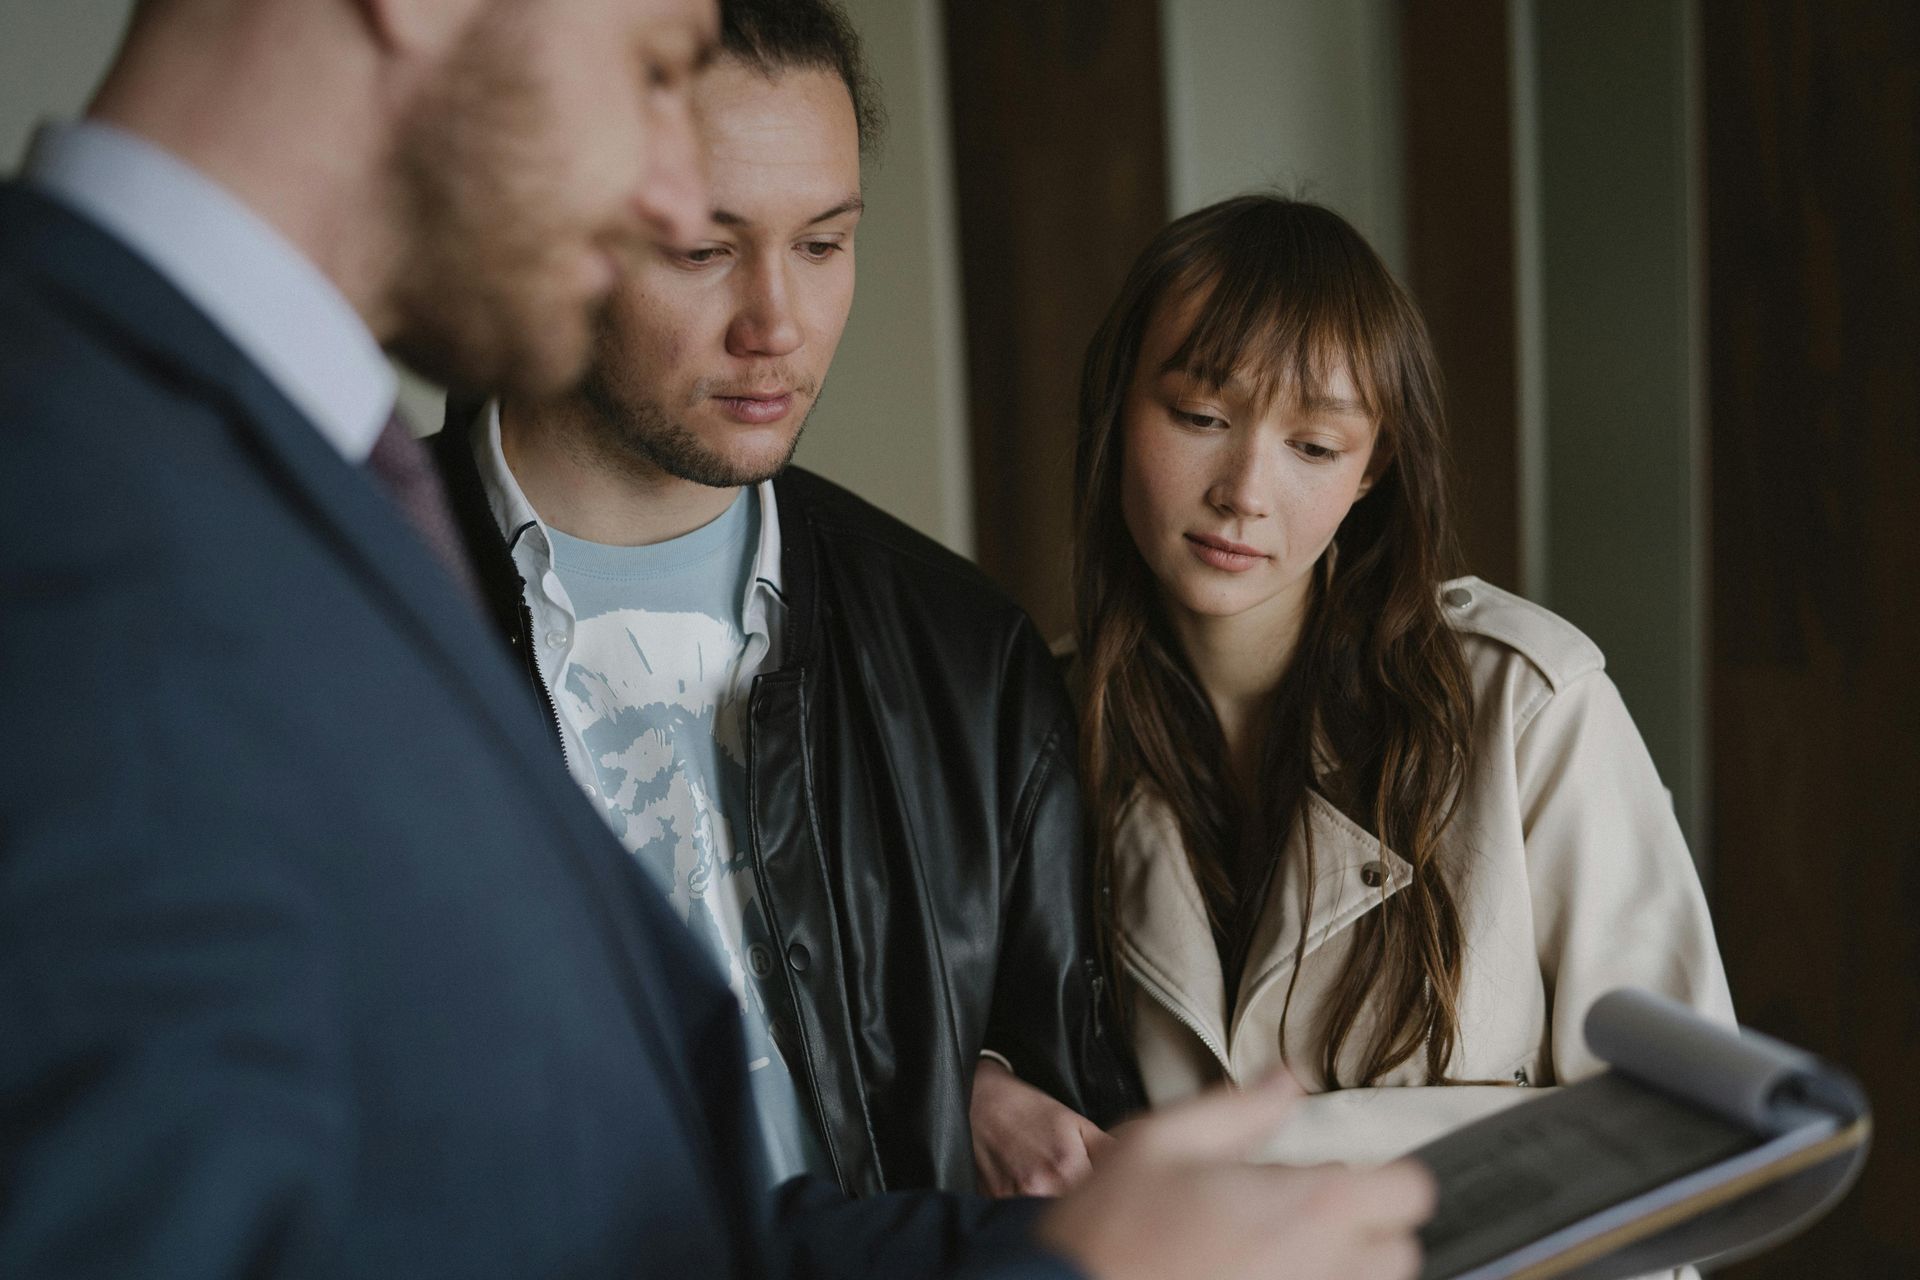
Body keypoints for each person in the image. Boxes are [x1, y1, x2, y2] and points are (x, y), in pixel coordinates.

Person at [0, 2, 1434, 1278]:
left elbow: (588, 1223)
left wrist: (1076, 1243)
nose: (660, 184)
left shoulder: (289, 488)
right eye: (648, 66)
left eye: (825, 238)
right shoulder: (79, 510)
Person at [429, 0, 1132, 1198]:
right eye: (704, 250)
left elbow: (1075, 1137)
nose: (778, 324)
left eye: (822, 244)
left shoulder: (968, 660)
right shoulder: (343, 619)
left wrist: (978, 1083)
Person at [1070, 195, 1736, 1165]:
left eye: (1313, 445)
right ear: (1119, 403)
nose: (1244, 491)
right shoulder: (1046, 720)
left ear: (1372, 466)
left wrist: (1271, 1156)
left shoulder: (1527, 702)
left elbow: (1688, 1125)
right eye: (1200, 414)